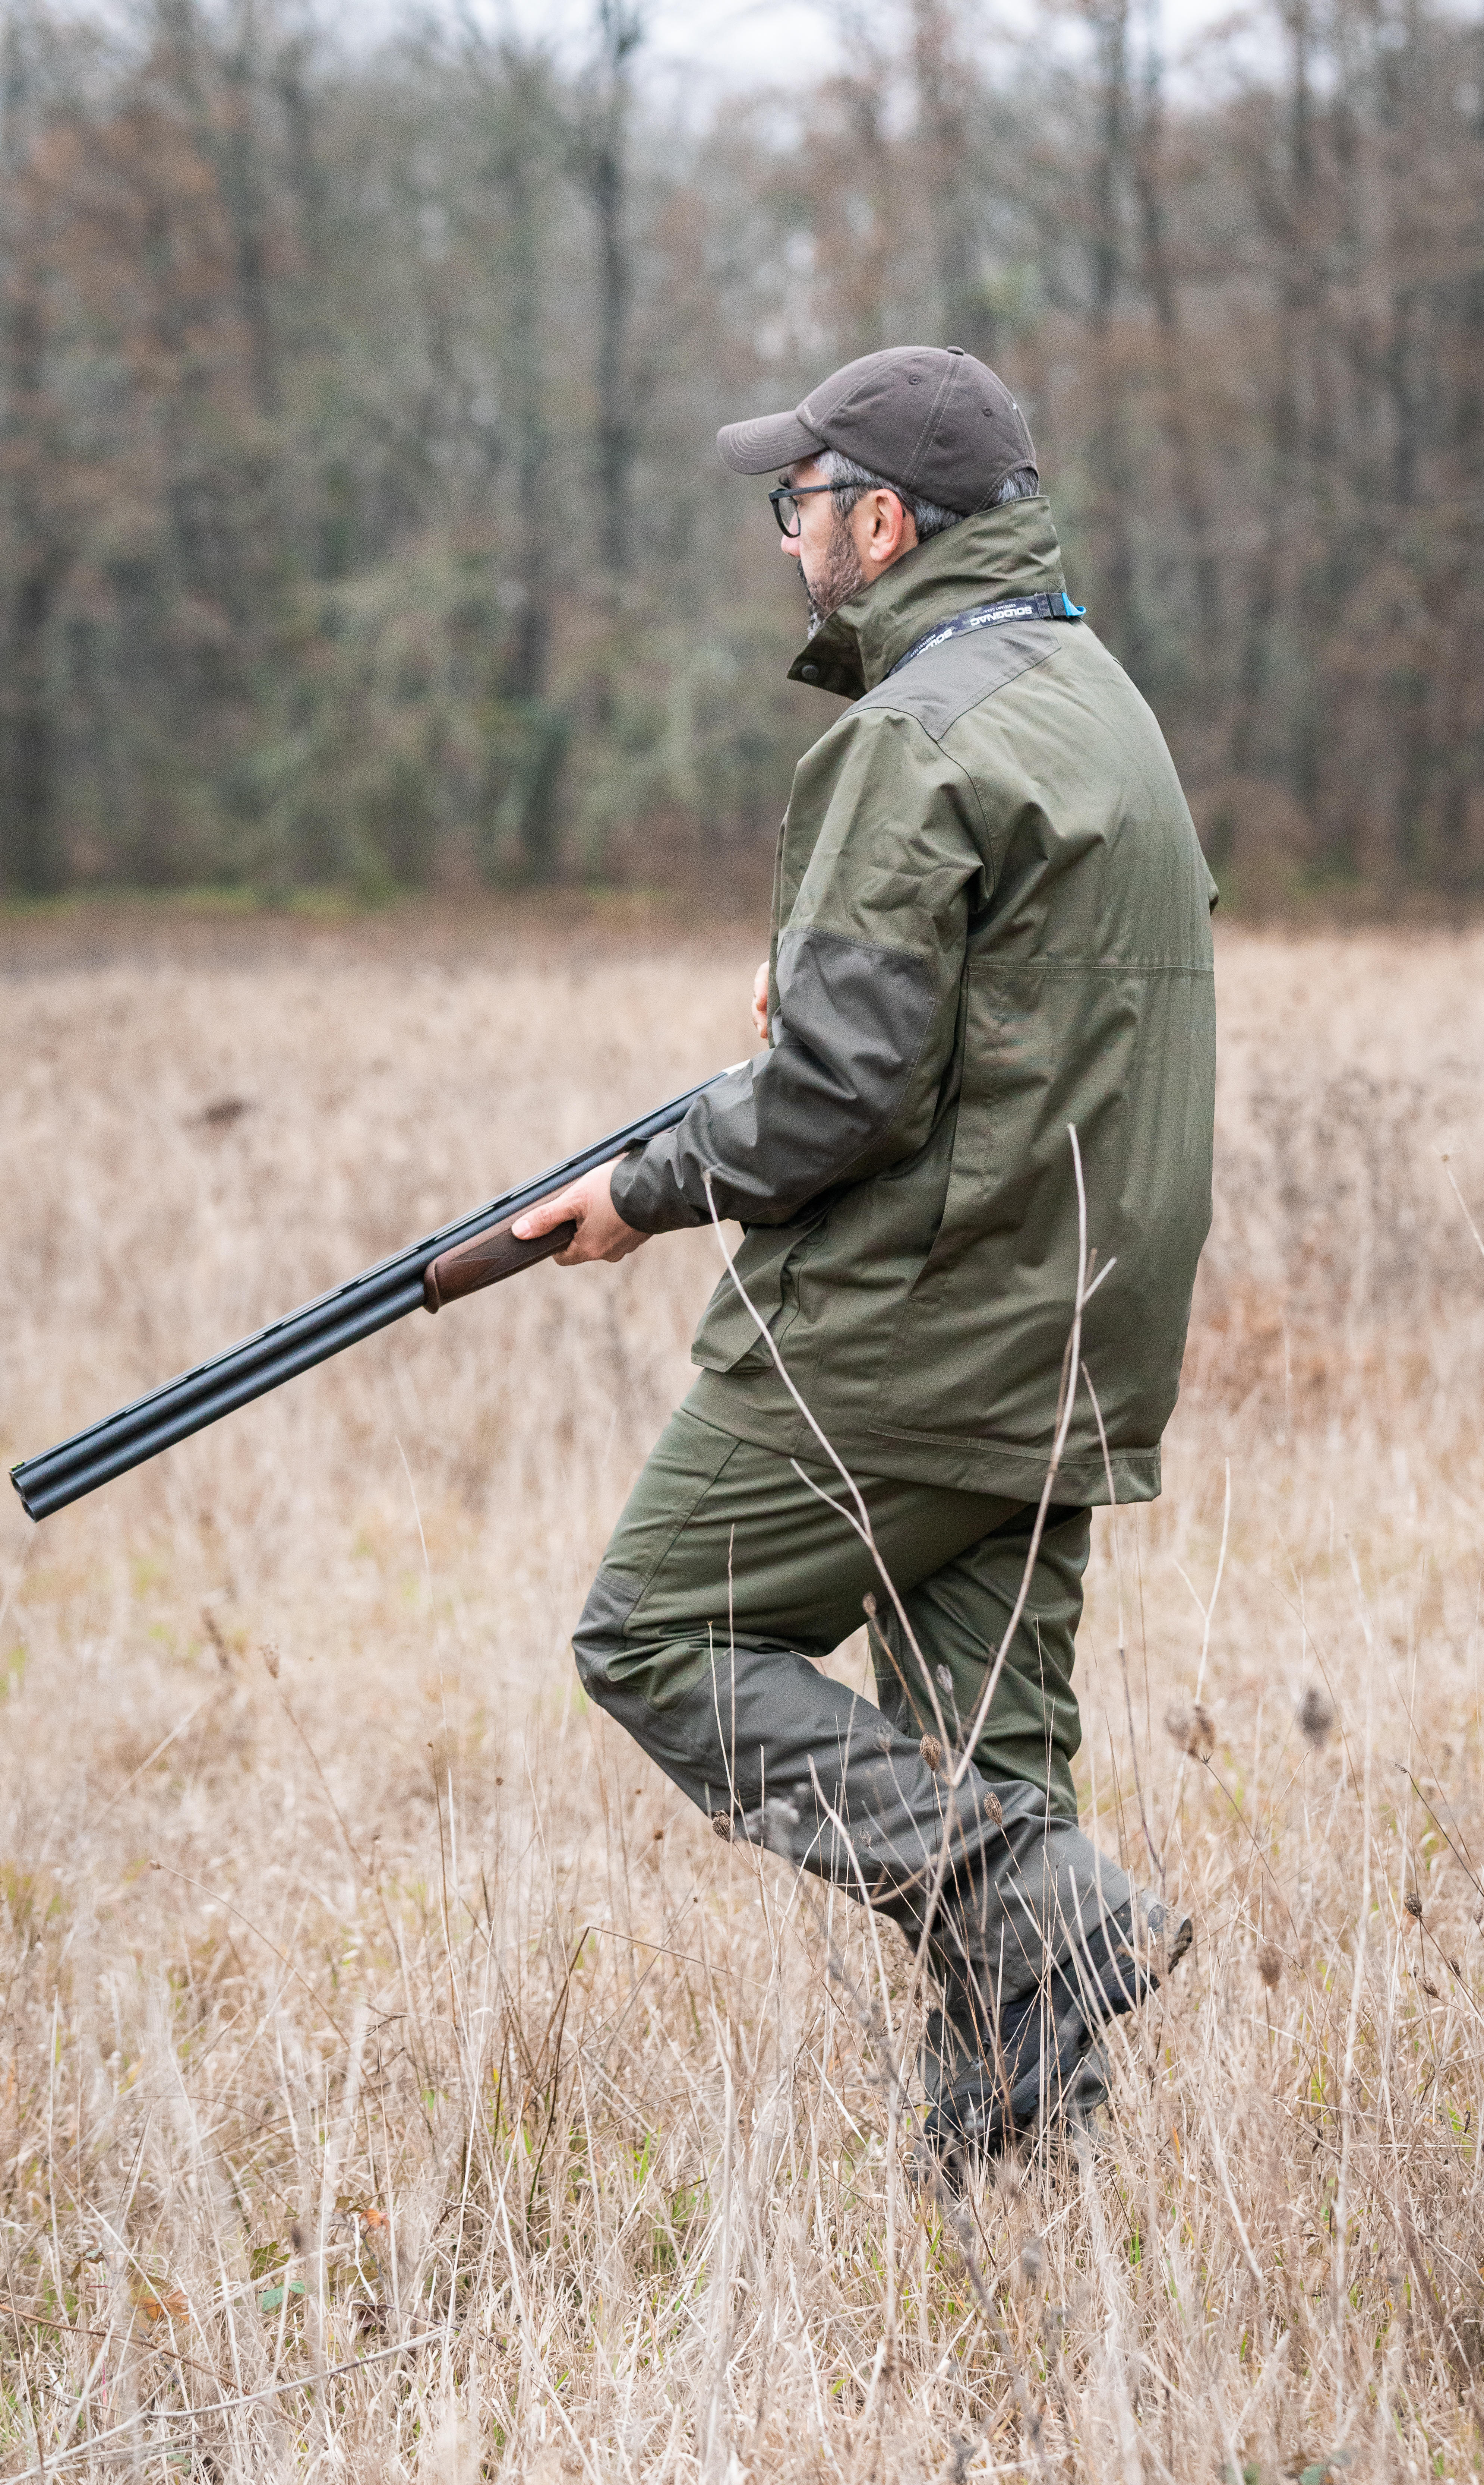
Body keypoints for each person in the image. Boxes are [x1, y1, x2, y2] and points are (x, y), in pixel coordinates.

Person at [514, 344, 1216, 2166]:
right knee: (992, 1739)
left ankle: (1045, 1893)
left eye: (799, 506)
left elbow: (831, 1099)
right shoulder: (1097, 701)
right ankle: (1009, 2183)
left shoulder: (905, 737)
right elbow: (983, 1022)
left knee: (654, 1633)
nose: (787, 541)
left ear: (882, 523)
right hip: (1075, 1328)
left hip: (913, 1333)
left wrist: (644, 1190)